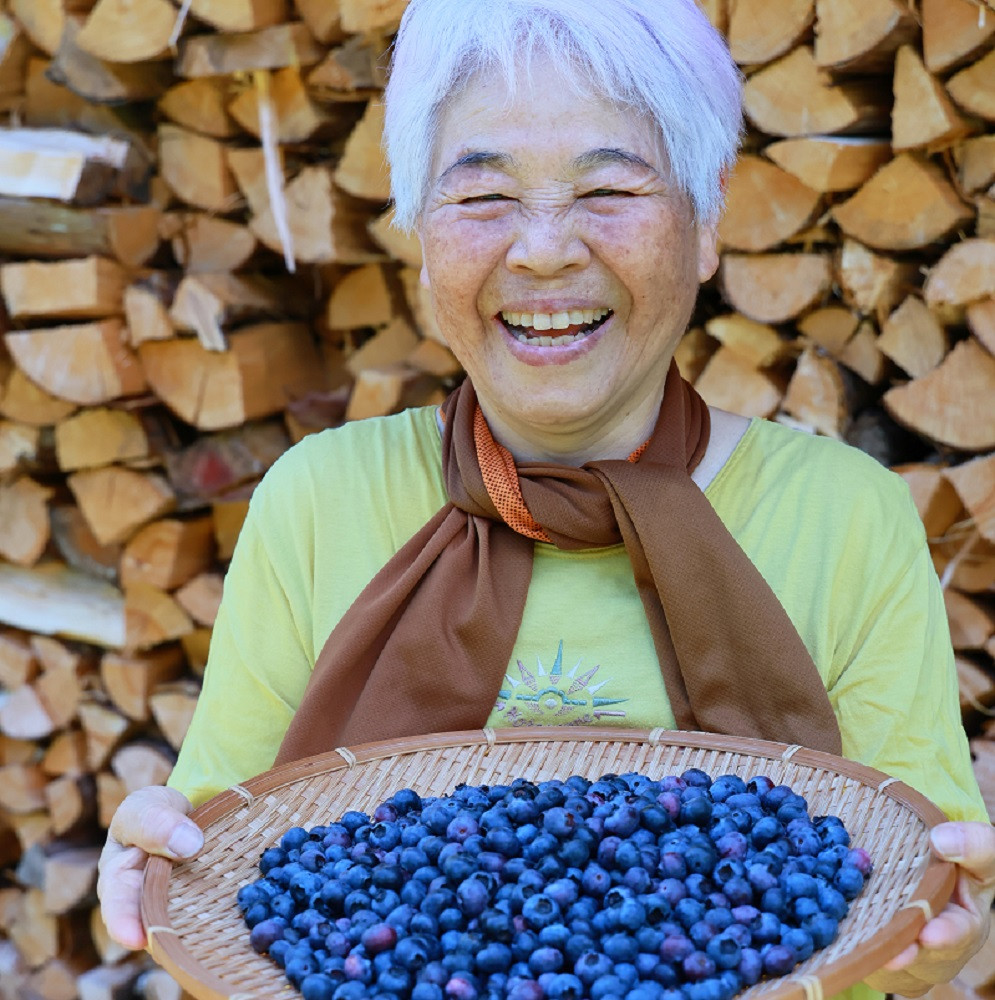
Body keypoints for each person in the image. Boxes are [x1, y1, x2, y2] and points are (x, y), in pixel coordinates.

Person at [98, 1, 995, 996]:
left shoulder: (844, 520)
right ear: (421, 237)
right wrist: (158, 865)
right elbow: (233, 887)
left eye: (608, 188)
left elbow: (906, 896)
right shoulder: (317, 502)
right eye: (482, 197)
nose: (541, 250)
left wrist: (942, 948)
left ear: (704, 222)